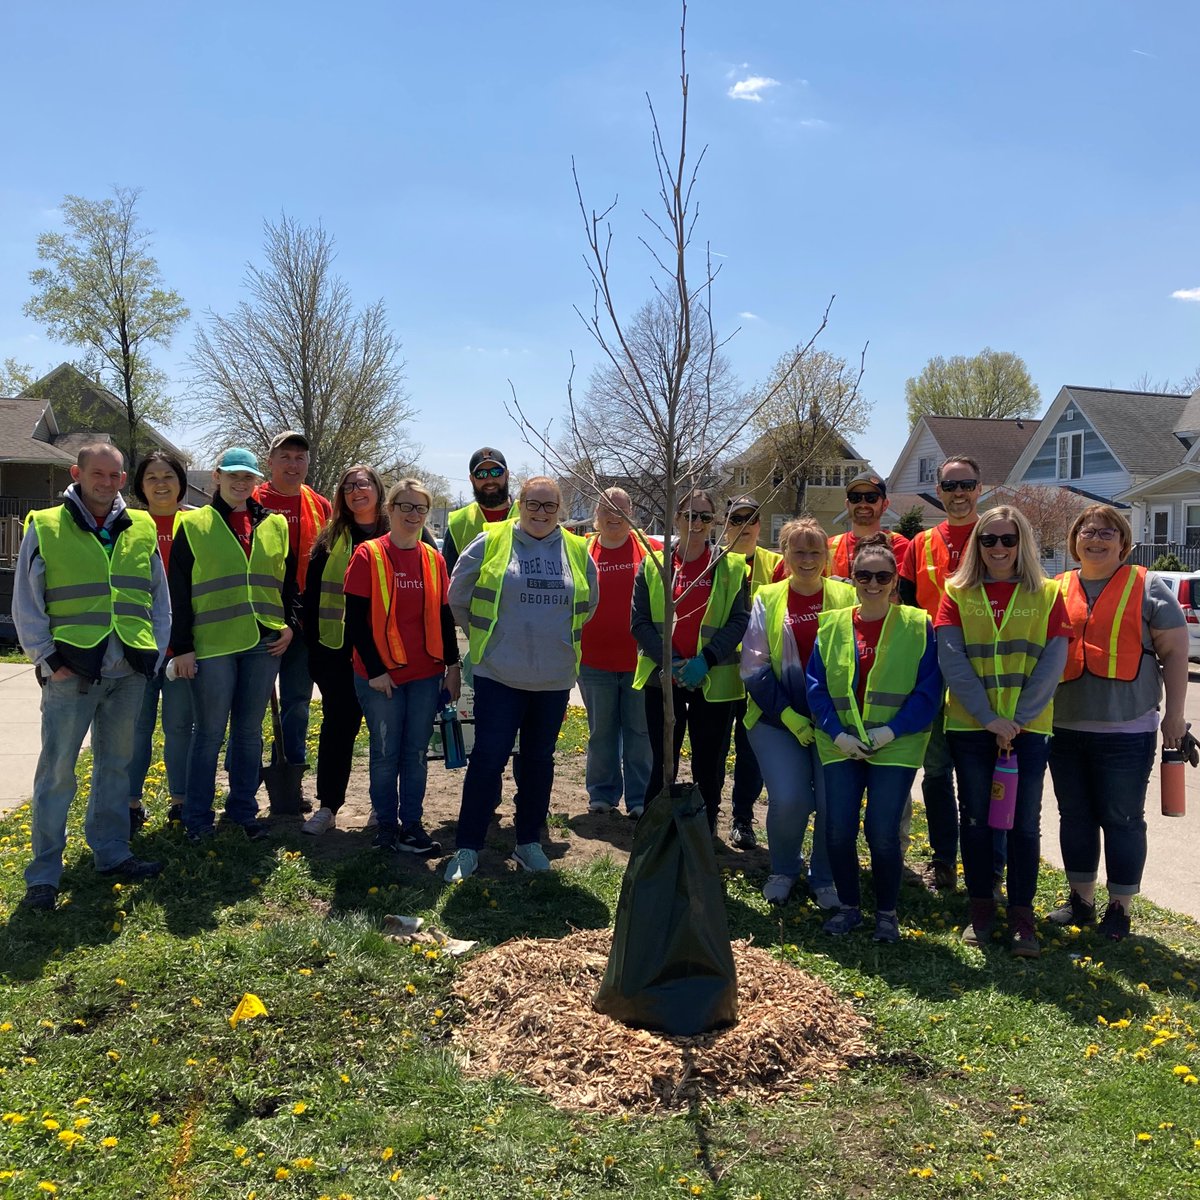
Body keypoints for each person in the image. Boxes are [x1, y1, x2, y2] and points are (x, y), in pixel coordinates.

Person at [13, 443, 169, 910]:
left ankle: (111, 852)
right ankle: (43, 875)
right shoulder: (45, 524)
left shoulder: (140, 526)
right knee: (57, 774)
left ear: (124, 479)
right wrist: (45, 659)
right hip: (71, 673)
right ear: (77, 473)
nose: (106, 483)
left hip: (129, 672)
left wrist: (154, 654)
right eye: (97, 474)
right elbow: (26, 600)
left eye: (114, 475)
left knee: (116, 768)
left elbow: (158, 598)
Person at [444, 475, 597, 881]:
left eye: (549, 506)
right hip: (499, 675)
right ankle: (467, 847)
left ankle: (529, 842)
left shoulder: (578, 550)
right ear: (520, 503)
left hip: (553, 678)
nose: (540, 512)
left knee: (538, 762)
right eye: (533, 503)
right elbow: (457, 595)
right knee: (487, 760)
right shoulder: (492, 541)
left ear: (560, 509)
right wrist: (488, 643)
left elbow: (589, 603)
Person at [936, 505, 1072, 957]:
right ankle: (981, 910)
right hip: (971, 727)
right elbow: (951, 660)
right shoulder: (956, 591)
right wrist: (989, 718)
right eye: (988, 540)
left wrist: (1016, 721)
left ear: (1023, 544)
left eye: (1007, 540)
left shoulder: (1049, 593)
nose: (998, 548)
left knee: (1023, 826)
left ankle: (1021, 918)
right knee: (975, 820)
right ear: (976, 544)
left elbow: (1053, 663)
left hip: (1029, 730)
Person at [1048, 505, 1188, 941]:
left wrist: (1176, 719)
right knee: (1074, 817)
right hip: (1064, 727)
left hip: (1128, 729)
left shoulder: (1148, 586)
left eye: (1107, 533)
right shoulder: (1056, 588)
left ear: (1123, 542)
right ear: (1074, 540)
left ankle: (1121, 908)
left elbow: (1176, 654)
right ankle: (1081, 902)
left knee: (1123, 818)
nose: (1096, 539)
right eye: (1087, 531)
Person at [807, 535, 941, 942]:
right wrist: (835, 732)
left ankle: (886, 913)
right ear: (851, 578)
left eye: (882, 575)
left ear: (895, 579)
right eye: (863, 575)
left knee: (882, 831)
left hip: (896, 744)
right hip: (840, 742)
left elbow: (929, 691)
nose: (872, 582)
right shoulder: (831, 624)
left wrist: (890, 731)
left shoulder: (918, 625)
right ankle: (849, 908)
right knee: (838, 830)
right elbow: (815, 686)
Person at [169, 448, 296, 841]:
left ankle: (243, 811)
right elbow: (179, 590)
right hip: (213, 644)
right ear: (217, 478)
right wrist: (183, 646)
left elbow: (287, 582)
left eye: (249, 477)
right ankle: (197, 817)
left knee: (248, 731)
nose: (241, 483)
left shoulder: (274, 525)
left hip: (264, 641)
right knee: (208, 733)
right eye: (234, 476)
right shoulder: (194, 524)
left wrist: (290, 623)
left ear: (258, 482)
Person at [741, 518, 856, 907]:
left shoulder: (847, 597)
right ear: (784, 553)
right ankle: (784, 868)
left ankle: (824, 877)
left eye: (815, 551)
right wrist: (788, 715)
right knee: (790, 799)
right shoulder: (767, 597)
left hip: (833, 723)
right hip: (776, 720)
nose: (807, 559)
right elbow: (753, 667)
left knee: (831, 803)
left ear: (827, 555)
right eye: (798, 551)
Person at [343, 478, 461, 854]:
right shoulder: (368, 555)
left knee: (414, 754)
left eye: (420, 508)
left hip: (425, 675)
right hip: (381, 678)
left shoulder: (433, 558)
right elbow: (356, 621)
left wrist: (453, 666)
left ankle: (412, 825)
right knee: (385, 752)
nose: (413, 515)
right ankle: (386, 826)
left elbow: (444, 616)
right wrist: (376, 671)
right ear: (389, 510)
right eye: (405, 507)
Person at [631, 489, 749, 833]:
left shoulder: (729, 567)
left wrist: (705, 660)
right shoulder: (653, 566)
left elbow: (739, 620)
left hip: (712, 682)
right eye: (689, 515)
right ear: (676, 519)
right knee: (661, 760)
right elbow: (639, 622)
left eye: (704, 516)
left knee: (708, 763)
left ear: (715, 522)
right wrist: (670, 664)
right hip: (662, 680)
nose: (696, 523)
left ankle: (704, 830)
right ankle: (657, 831)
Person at [898, 454, 983, 892]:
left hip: (983, 672)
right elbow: (907, 608)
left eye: (965, 484)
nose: (958, 494)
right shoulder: (920, 544)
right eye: (950, 487)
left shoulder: (996, 536)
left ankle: (984, 866)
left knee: (976, 773)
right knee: (935, 771)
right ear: (939, 491)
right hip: (931, 671)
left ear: (979, 488)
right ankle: (944, 861)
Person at [300, 464, 391, 835]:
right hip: (337, 654)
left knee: (386, 733)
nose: (356, 491)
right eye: (349, 486)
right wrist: (317, 655)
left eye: (364, 483)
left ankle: (384, 807)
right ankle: (328, 806)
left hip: (387, 654)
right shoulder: (328, 540)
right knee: (338, 729)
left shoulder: (398, 532)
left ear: (378, 490)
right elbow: (312, 598)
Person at [252, 431, 332, 772]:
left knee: (297, 700)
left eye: (300, 458)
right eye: (285, 457)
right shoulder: (251, 500)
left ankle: (291, 768)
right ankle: (246, 778)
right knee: (251, 704)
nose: (293, 464)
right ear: (270, 462)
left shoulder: (319, 504)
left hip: (303, 618)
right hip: (258, 617)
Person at [127, 451, 195, 832]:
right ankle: (131, 804)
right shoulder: (129, 525)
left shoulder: (195, 524)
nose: (160, 483)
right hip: (137, 649)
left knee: (179, 727)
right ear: (140, 485)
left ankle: (181, 802)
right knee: (136, 730)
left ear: (180, 481)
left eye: (168, 475)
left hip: (180, 649)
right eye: (151, 477)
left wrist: (188, 643)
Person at [578, 487, 656, 818]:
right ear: (596, 515)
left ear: (632, 514)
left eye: (621, 509)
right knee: (601, 731)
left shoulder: (650, 551)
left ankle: (640, 797)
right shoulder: (582, 551)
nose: (614, 515)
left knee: (640, 733)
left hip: (639, 661)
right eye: (607, 509)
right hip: (593, 660)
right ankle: (602, 793)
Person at [723, 495, 783, 849]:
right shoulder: (713, 564)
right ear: (725, 524)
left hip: (758, 678)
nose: (744, 526)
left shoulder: (775, 565)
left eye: (751, 518)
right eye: (736, 519)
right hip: (719, 675)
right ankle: (706, 812)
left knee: (750, 750)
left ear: (761, 523)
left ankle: (742, 818)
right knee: (712, 751)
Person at [442, 446, 519, 578]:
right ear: (472, 479)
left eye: (496, 472)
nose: (489, 480)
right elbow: (448, 580)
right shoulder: (458, 523)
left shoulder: (528, 514)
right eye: (481, 474)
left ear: (506, 475)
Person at [826, 471, 910, 579]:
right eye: (855, 497)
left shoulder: (899, 546)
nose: (863, 504)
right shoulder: (828, 547)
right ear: (847, 504)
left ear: (884, 505)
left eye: (871, 497)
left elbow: (899, 591)